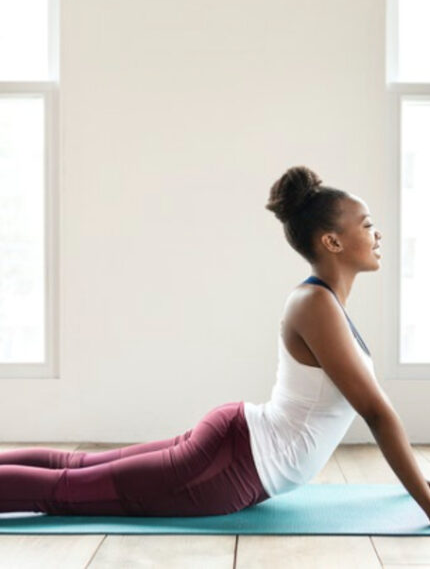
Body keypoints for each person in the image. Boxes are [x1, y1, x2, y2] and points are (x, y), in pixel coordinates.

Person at [1, 165, 429, 521]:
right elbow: (375, 412)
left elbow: (374, 410)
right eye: (368, 225)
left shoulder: (324, 303)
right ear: (332, 241)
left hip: (237, 448)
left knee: (74, 470)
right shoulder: (315, 303)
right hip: (233, 465)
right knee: (69, 489)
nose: (378, 235)